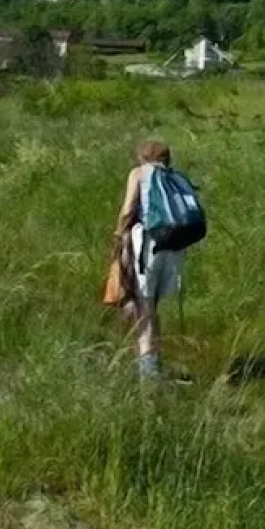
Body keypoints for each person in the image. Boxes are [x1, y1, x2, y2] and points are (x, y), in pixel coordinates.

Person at [111, 139, 186, 380]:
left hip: (146, 243)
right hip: (174, 247)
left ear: (142, 157)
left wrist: (118, 237)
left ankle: (149, 375)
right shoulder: (174, 177)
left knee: (144, 307)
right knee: (152, 306)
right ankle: (154, 361)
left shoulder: (139, 174)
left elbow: (127, 209)